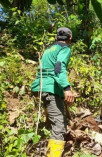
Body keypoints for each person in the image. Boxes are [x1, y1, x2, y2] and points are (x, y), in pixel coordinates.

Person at [31, 27, 74, 157]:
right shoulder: (64, 49)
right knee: (59, 125)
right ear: (70, 38)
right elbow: (58, 69)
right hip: (51, 89)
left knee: (54, 120)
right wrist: (67, 88)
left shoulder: (49, 49)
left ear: (56, 37)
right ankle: (53, 155)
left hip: (41, 87)